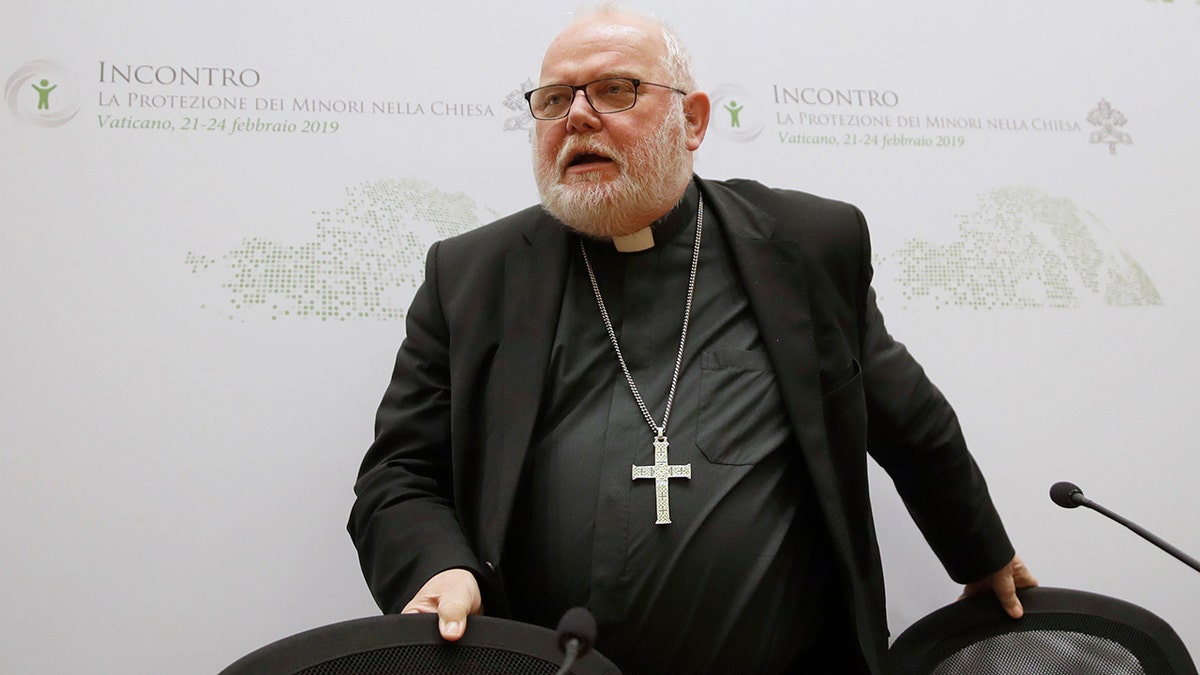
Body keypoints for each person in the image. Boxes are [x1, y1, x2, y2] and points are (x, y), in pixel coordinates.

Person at [348, 5, 1037, 673]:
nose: (578, 115)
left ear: (694, 119)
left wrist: (981, 552)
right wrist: (438, 567)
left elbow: (909, 420)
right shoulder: (471, 276)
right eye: (554, 100)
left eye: (616, 89)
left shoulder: (805, 248)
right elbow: (399, 471)